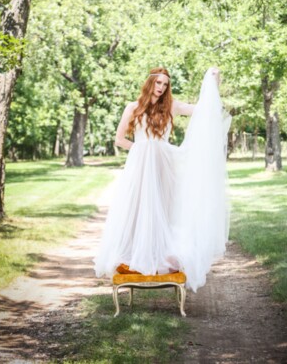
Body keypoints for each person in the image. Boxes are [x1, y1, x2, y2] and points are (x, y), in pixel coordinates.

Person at [94, 66, 230, 291]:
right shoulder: (133, 107)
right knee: (137, 209)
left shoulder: (172, 106)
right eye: (158, 83)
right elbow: (119, 139)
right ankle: (133, 258)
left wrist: (214, 82)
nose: (161, 88)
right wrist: (142, 151)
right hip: (140, 167)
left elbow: (204, 110)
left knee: (165, 210)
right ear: (150, 83)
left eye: (165, 84)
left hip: (164, 165)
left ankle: (162, 258)